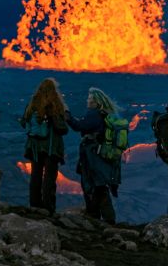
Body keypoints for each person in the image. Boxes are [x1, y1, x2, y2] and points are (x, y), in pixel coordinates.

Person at [65, 87, 122, 225]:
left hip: (93, 156)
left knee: (94, 185)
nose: (87, 101)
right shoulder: (106, 115)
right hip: (102, 156)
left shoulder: (94, 114)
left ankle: (99, 217)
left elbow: (80, 126)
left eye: (90, 99)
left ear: (96, 102)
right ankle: (103, 217)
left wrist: (68, 117)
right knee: (99, 185)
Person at [20, 78, 69, 214]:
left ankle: (34, 204)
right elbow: (62, 129)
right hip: (51, 148)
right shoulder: (55, 106)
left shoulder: (32, 105)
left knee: (35, 175)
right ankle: (48, 207)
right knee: (49, 177)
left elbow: (24, 123)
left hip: (34, 147)